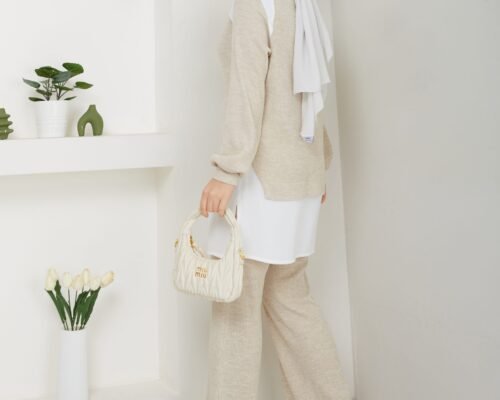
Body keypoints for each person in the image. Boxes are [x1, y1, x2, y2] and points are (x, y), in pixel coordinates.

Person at [199, 0, 351, 398]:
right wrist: (318, 164)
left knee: (235, 309)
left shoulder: (254, 5)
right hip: (299, 179)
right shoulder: (303, 5)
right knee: (291, 300)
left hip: (260, 182)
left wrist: (227, 170)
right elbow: (309, 94)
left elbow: (247, 93)